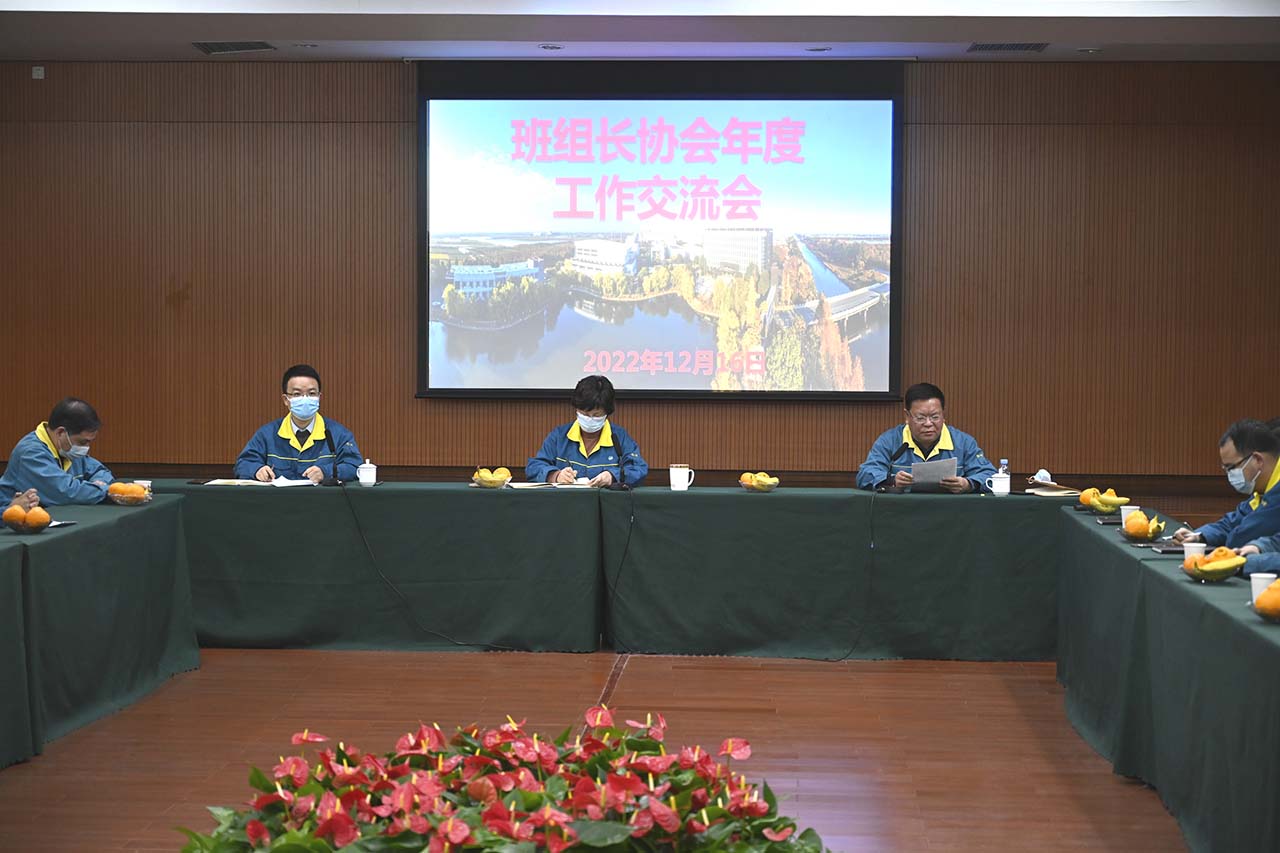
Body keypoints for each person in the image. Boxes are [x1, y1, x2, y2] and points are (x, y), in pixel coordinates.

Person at [857, 382, 995, 493]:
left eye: (935, 417)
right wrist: (892, 480)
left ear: (943, 415)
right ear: (907, 416)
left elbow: (990, 475)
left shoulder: (963, 443)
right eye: (920, 418)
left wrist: (968, 484)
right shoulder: (890, 440)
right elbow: (865, 474)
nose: (928, 424)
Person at [234, 364, 362, 483]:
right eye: (297, 394)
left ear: (319, 397)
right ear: (286, 400)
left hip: (321, 500)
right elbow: (243, 464)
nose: (305, 399)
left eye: (312, 393)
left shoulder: (338, 434)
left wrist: (326, 472)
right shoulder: (267, 434)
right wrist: (256, 470)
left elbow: (354, 466)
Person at [526, 375, 648, 488]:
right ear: (576, 409)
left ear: (607, 413)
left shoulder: (619, 438)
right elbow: (534, 467)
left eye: (596, 415)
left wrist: (612, 476)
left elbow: (638, 469)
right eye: (584, 414)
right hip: (566, 502)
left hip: (605, 502)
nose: (590, 418)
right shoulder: (559, 436)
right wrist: (555, 475)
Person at [1173, 419, 1280, 547]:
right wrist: (1199, 535)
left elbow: (1240, 538)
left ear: (1257, 460)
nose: (1229, 474)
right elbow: (1231, 523)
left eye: (1231, 467)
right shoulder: (1261, 490)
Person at [0, 398, 115, 505]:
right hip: (10, 517)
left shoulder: (66, 449)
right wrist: (104, 490)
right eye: (82, 442)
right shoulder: (31, 453)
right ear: (60, 433)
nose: (86, 447)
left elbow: (100, 471)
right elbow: (66, 493)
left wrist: (99, 483)